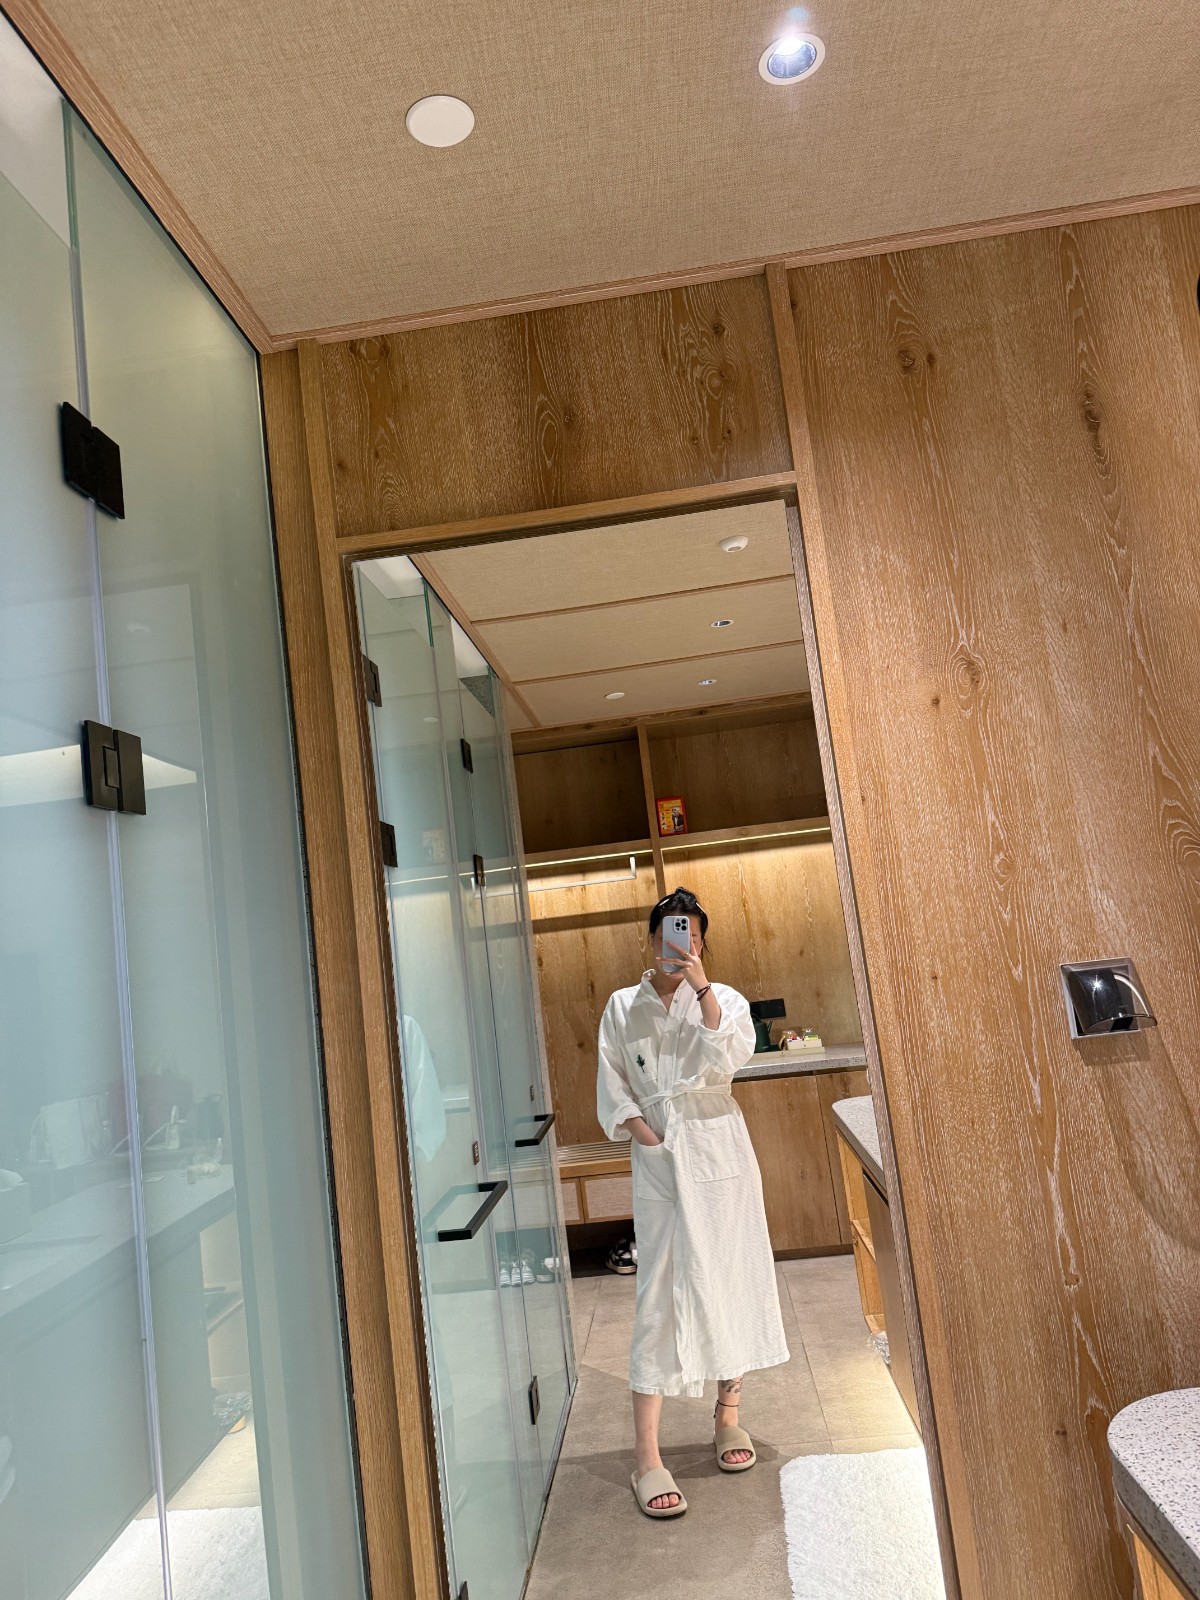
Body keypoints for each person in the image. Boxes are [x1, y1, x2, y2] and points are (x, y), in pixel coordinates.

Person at [596, 888, 789, 1519]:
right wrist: (647, 1137)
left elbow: (730, 1054)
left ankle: (728, 1416)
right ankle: (647, 1456)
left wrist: (701, 985)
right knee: (657, 1293)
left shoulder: (723, 997)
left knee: (728, 1275)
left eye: (693, 936)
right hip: (660, 1157)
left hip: (718, 1150)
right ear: (651, 939)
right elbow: (612, 1082)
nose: (682, 945)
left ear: (702, 942)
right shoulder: (622, 1006)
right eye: (671, 935)